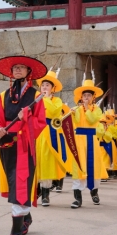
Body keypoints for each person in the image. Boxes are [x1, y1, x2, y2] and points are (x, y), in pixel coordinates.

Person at [0, 56, 48, 235]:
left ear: (28, 72)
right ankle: (26, 217)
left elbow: (41, 123)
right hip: (7, 144)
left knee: (20, 182)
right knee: (13, 182)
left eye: (22, 67)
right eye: (15, 67)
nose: (18, 70)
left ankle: (16, 233)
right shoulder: (3, 95)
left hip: (24, 144)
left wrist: (27, 117)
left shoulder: (36, 96)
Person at [70, 78, 107, 208]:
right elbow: (76, 122)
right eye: (84, 95)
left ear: (93, 97)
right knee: (78, 166)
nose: (86, 97)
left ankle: (94, 192)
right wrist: (73, 114)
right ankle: (77, 198)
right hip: (79, 140)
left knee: (94, 166)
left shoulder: (97, 110)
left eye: (89, 95)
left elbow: (92, 120)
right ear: (81, 97)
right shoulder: (77, 108)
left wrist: (86, 108)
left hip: (92, 140)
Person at [35, 70, 69, 207]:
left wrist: (46, 99)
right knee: (36, 161)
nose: (44, 87)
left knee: (47, 162)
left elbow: (54, 112)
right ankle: (36, 190)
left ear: (53, 89)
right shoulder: (35, 99)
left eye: (47, 85)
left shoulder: (57, 101)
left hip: (49, 132)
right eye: (43, 85)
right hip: (37, 132)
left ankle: (45, 195)